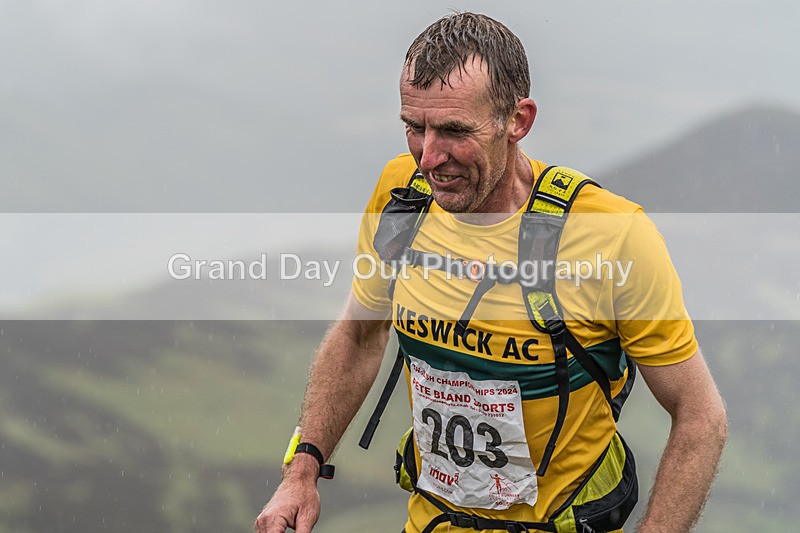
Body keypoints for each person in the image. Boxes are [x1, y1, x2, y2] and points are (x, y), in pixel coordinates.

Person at [255, 12, 727, 533]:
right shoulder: (402, 196)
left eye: (454, 131)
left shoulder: (612, 234)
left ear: (518, 120)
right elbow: (360, 335)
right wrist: (301, 471)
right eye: (414, 127)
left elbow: (700, 416)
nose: (428, 158)